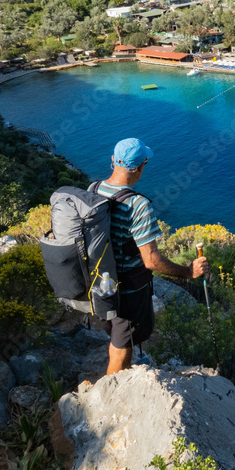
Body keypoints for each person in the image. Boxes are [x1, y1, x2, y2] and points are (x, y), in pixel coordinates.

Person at [93, 137, 209, 374]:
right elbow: (151, 260)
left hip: (99, 279)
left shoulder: (94, 189)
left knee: (117, 333)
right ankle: (111, 393)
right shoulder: (138, 205)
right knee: (122, 346)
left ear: (114, 160)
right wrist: (188, 272)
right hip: (127, 288)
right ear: (140, 167)